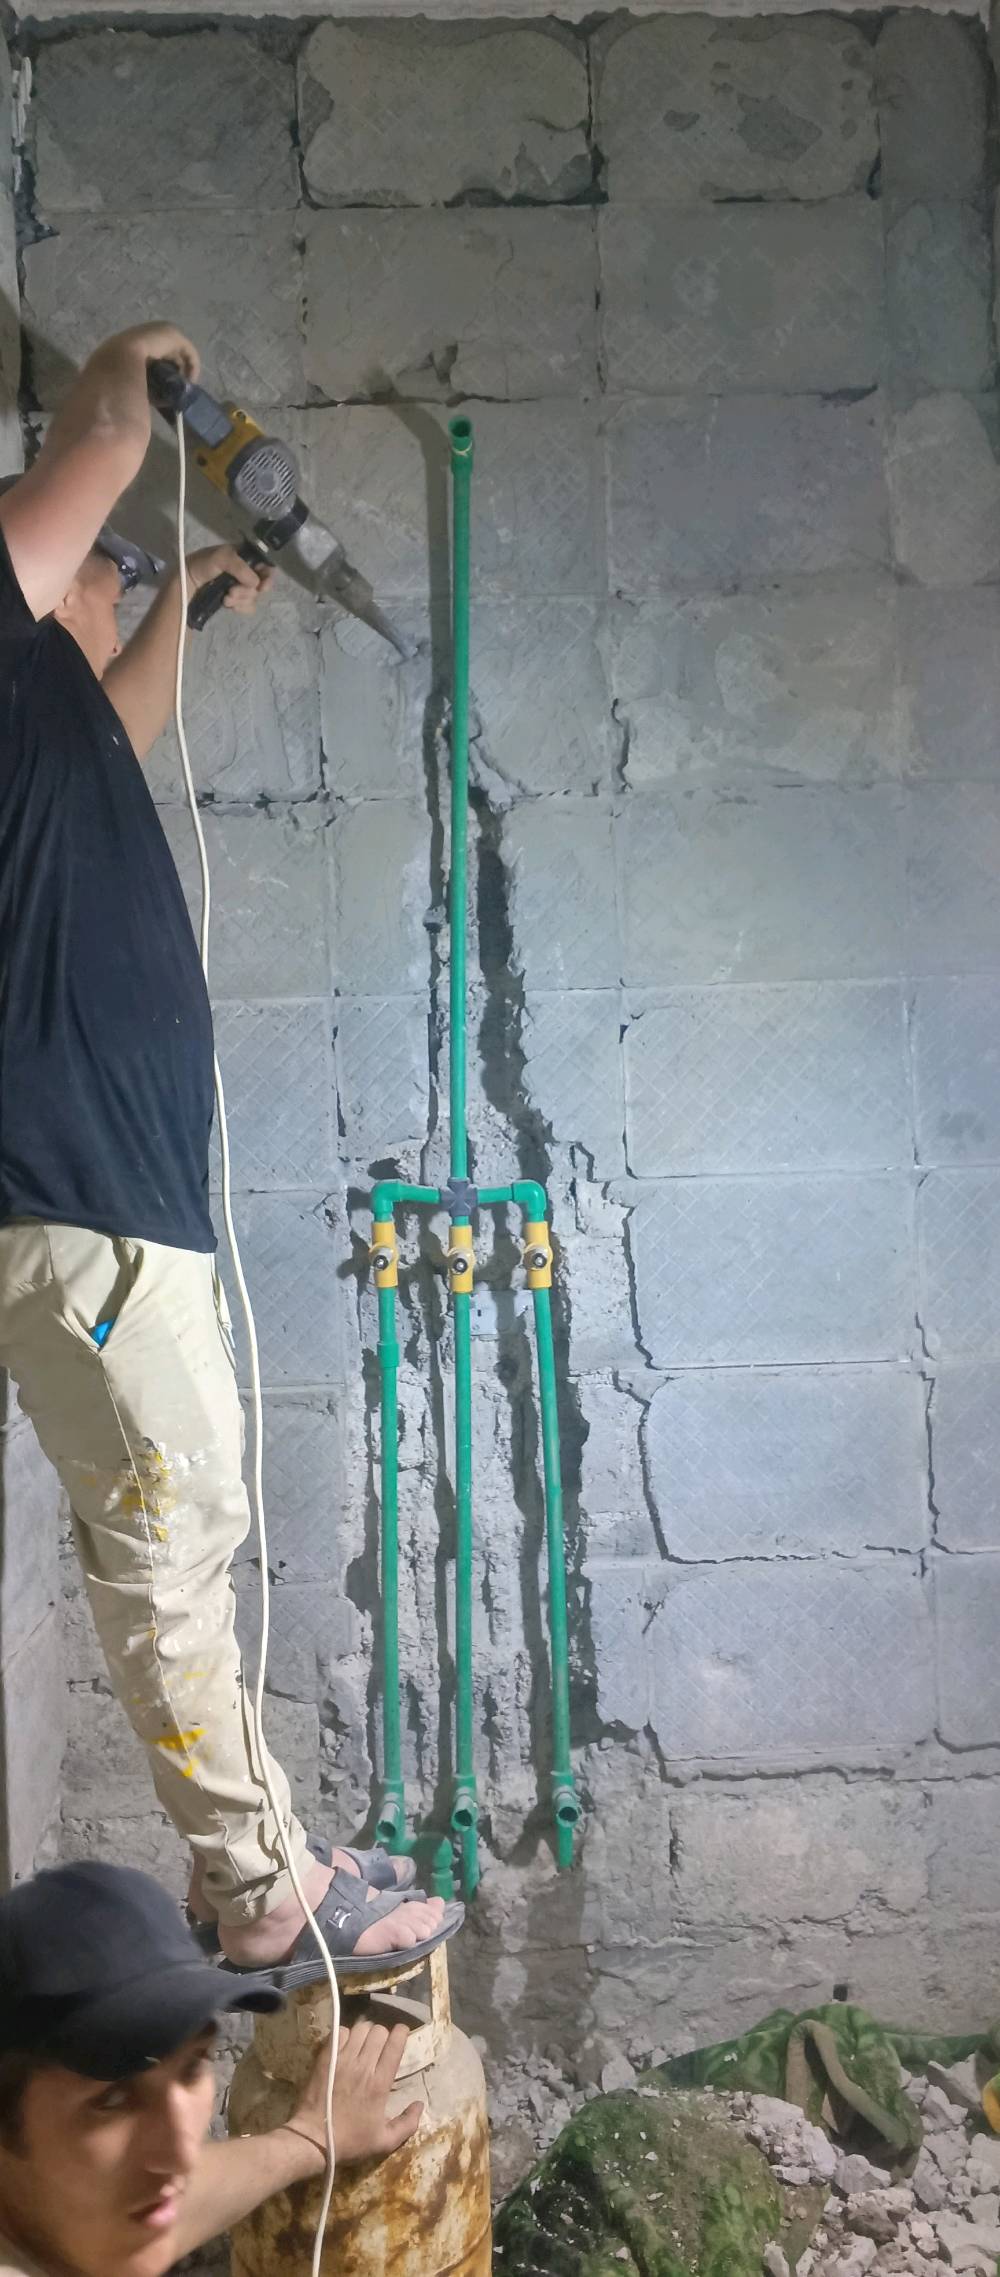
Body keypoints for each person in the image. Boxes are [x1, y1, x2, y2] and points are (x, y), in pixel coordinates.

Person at [0, 320, 458, 1980]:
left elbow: (124, 712)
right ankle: (260, 1885)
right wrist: (139, 371)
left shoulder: (49, 728)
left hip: (113, 1202)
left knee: (181, 1514)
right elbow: (96, 445)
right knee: (169, 1532)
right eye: (102, 570)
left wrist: (185, 594)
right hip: (79, 1200)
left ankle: (246, 1860)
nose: (114, 583)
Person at [0, 1861, 422, 2277]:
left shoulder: (92, 2215)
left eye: (191, 2067)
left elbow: (184, 2199)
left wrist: (310, 2138)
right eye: (111, 2099)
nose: (183, 2156)